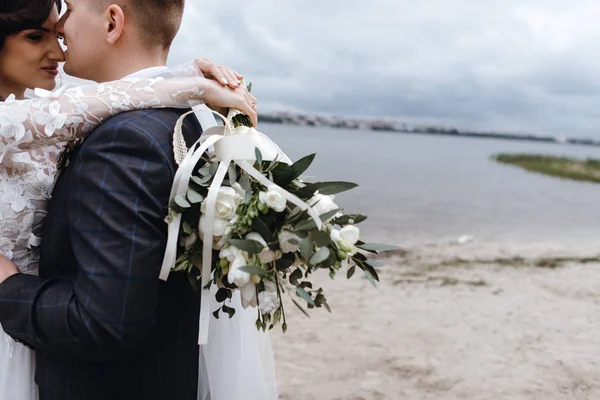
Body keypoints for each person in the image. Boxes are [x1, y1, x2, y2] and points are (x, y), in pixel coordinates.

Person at [0, 0, 262, 399]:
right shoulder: (162, 124)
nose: (59, 47)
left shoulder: (104, 127)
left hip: (39, 328)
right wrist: (187, 84)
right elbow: (79, 108)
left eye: (59, 27)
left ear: (113, 21)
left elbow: (82, 107)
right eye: (37, 36)